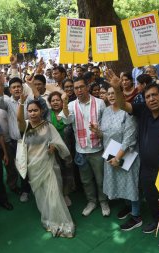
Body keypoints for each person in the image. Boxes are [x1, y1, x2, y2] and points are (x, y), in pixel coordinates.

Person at [107, 69, 159, 249]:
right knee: (150, 199)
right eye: (147, 96)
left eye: (155, 95)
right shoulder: (143, 111)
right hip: (146, 169)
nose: (151, 99)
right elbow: (123, 105)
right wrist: (117, 89)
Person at [17, 97, 75, 238]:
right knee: (41, 195)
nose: (32, 113)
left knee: (54, 194)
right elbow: (18, 120)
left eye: (35, 110)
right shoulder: (25, 125)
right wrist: (21, 103)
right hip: (33, 167)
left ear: (41, 111)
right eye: (30, 111)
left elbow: (58, 142)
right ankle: (49, 220)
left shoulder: (48, 126)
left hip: (48, 165)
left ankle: (61, 222)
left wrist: (54, 147)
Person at [90, 87, 142, 231]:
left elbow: (130, 137)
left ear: (121, 94)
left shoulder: (128, 112)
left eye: (115, 93)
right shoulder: (106, 111)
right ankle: (128, 207)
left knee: (131, 183)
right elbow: (105, 134)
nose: (112, 95)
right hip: (111, 152)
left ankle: (136, 216)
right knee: (121, 184)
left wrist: (118, 157)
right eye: (109, 93)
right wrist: (97, 132)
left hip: (126, 154)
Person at [59, 77, 110, 217]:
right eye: (76, 88)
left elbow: (106, 124)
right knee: (86, 180)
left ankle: (103, 201)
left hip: (97, 149)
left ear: (87, 87)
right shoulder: (71, 105)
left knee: (100, 179)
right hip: (80, 150)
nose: (79, 90)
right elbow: (67, 120)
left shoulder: (99, 103)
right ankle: (91, 202)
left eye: (81, 87)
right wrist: (64, 102)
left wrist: (99, 132)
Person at [0, 72, 48, 202]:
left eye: (19, 86)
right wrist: (0, 84)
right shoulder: (7, 103)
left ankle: (39, 188)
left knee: (35, 164)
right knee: (21, 166)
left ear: (22, 87)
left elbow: (40, 101)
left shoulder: (29, 100)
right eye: (13, 87)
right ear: (10, 90)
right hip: (16, 142)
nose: (17, 89)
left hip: (32, 139)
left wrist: (32, 85)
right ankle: (25, 190)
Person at [47, 91, 76, 206]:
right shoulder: (47, 114)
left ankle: (66, 193)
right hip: (53, 149)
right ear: (50, 103)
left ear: (62, 101)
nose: (55, 102)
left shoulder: (67, 112)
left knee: (68, 170)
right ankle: (58, 193)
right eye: (52, 100)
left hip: (68, 148)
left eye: (57, 100)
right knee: (56, 172)